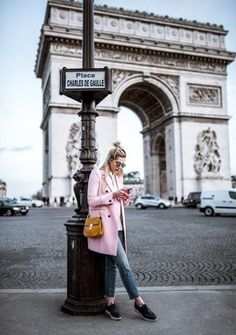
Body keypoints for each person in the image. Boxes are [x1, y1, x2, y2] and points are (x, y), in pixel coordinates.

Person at [87, 142, 157, 322]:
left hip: (119, 226)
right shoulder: (97, 173)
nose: (121, 167)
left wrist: (124, 198)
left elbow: (118, 201)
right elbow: (91, 200)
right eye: (118, 163)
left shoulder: (119, 176)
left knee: (111, 264)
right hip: (106, 227)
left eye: (123, 164)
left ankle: (110, 302)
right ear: (110, 160)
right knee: (124, 265)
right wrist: (113, 195)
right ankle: (139, 302)